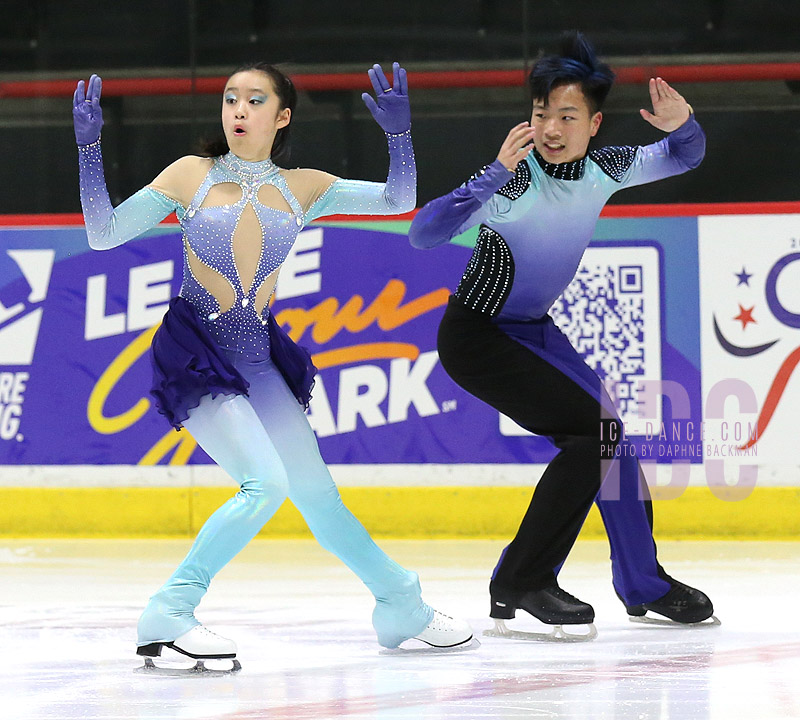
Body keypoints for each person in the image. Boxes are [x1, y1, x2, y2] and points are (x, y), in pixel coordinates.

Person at [73, 62, 473, 668]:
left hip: (260, 361)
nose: (238, 109)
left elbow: (399, 200)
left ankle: (401, 604)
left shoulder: (304, 188)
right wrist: (89, 150)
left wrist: (399, 137)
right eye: (230, 98)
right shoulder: (190, 175)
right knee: (265, 484)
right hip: (199, 356)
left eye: (254, 100)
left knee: (317, 495)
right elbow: (103, 233)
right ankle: (170, 611)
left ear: (282, 117)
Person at [409, 32, 715, 638]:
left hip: (534, 332)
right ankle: (521, 579)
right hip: (478, 335)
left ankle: (644, 583)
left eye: (567, 115)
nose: (550, 127)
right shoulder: (511, 182)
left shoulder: (605, 169)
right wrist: (489, 175)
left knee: (610, 438)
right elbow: (423, 233)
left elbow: (685, 156)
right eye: (541, 112)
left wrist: (684, 124)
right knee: (595, 436)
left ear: (593, 124)